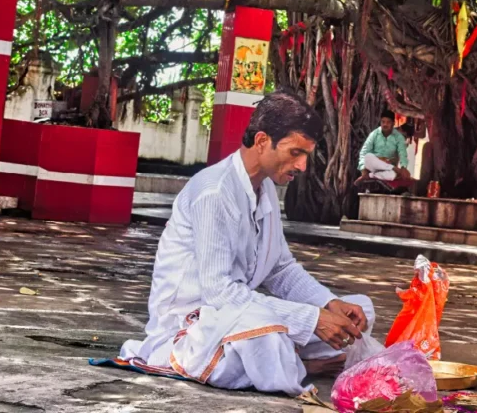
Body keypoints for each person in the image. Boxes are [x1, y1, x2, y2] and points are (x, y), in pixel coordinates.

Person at [121, 90, 374, 395]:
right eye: (296, 152)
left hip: (237, 318)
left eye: (306, 155)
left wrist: (329, 304)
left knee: (359, 312)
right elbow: (220, 293)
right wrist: (311, 319)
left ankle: (288, 358)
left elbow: (280, 269)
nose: (303, 166)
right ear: (262, 141)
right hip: (194, 327)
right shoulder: (214, 191)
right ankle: (299, 363)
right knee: (265, 338)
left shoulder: (264, 190)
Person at [356, 110, 410, 182]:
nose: (385, 124)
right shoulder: (374, 134)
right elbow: (364, 152)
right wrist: (363, 169)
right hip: (375, 166)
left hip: (388, 168)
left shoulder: (399, 137)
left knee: (392, 175)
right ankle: (393, 168)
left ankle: (370, 175)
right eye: (383, 122)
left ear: (393, 123)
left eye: (388, 122)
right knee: (368, 156)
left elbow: (402, 153)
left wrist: (403, 167)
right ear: (380, 122)